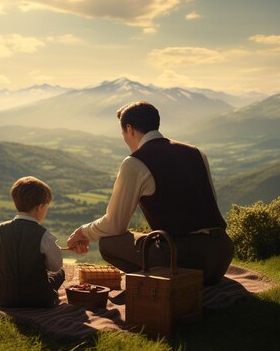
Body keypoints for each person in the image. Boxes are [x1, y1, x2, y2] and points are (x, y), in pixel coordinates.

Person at [67, 101, 233, 285]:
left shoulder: (135, 163)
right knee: (147, 238)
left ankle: (158, 284)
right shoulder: (196, 153)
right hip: (222, 255)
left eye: (123, 133)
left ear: (129, 129)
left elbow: (114, 225)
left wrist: (83, 232)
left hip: (186, 260)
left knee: (108, 242)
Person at [0, 176, 66, 307]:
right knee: (60, 273)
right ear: (40, 207)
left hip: (4, 298)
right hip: (39, 299)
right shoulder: (44, 235)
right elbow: (55, 266)